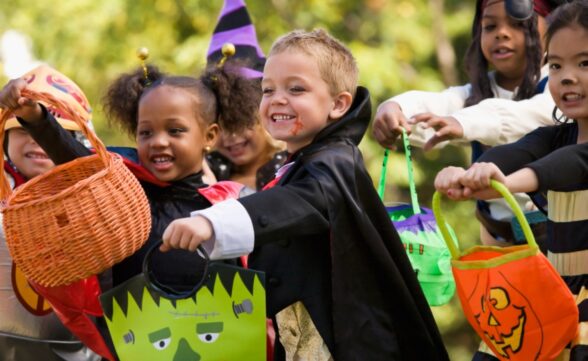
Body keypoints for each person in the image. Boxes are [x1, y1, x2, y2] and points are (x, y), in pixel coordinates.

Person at [161, 28, 449, 361]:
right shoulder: (296, 164)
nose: (277, 98)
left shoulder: (336, 162)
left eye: (296, 88)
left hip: (350, 344)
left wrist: (214, 223)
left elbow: (302, 201)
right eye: (268, 89)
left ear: (338, 104)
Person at [0, 61, 261, 359]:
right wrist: (36, 119)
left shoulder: (234, 207)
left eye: (175, 131)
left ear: (210, 136)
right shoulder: (121, 190)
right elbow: (78, 163)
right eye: (146, 132)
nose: (159, 142)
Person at [435, 2, 588, 359]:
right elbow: (514, 153)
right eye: (556, 65)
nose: (567, 76)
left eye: (585, 63)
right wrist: (469, 177)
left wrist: (507, 181)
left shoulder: (567, 154)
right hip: (555, 292)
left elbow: (567, 166)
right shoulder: (552, 135)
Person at [375, 0, 555, 247]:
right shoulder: (476, 94)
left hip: (560, 243)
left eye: (517, 24)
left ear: (553, 26)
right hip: (498, 244)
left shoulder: (560, 88)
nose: (501, 33)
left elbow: (531, 114)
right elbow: (439, 104)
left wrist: (463, 121)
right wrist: (395, 109)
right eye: (490, 26)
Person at [0, 65, 99, 361]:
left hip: (77, 348)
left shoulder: (97, 201)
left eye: (51, 134)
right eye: (22, 130)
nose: (37, 140)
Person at [205, 0, 287, 193]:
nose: (232, 136)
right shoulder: (205, 172)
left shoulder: (290, 172)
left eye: (241, 120)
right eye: (222, 123)